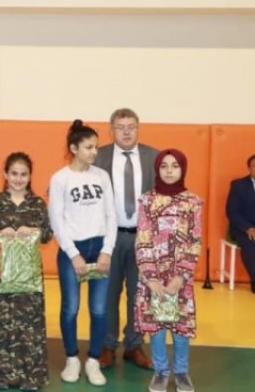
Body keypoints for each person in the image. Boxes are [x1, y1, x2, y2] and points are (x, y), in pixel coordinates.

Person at [49, 120, 117, 387]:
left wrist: (107, 251)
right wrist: (73, 254)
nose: (94, 152)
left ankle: (93, 361)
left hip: (99, 248)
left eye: (96, 147)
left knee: (99, 310)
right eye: (89, 147)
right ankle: (72, 359)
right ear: (74, 148)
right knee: (71, 308)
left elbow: (111, 215)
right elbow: (56, 220)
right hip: (73, 251)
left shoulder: (102, 176)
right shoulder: (60, 179)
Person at [94, 108, 158, 369]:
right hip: (109, 238)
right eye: (121, 127)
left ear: (138, 128)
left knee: (138, 294)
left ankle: (134, 345)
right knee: (108, 294)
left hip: (142, 237)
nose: (127, 132)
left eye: (131, 126)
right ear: (112, 130)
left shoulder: (154, 156)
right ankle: (107, 345)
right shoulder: (98, 157)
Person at [134, 149, 202, 392]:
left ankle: (182, 372)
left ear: (183, 169)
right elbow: (142, 239)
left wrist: (181, 275)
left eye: (175, 166)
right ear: (157, 169)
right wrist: (151, 278)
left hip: (179, 279)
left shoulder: (193, 202)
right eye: (164, 166)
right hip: (153, 278)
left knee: (181, 327)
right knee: (157, 327)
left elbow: (195, 241)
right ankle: (160, 371)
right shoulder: (147, 200)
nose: (169, 171)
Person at [0, 152, 52, 391]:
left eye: (23, 174)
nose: (18, 178)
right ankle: (1, 375)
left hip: (28, 275)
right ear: (5, 174)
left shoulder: (37, 204)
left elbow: (47, 234)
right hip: (0, 274)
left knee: (30, 325)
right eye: (14, 173)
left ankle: (31, 377)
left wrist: (33, 230)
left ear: (30, 176)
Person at [225, 154, 255, 293]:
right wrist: (248, 228)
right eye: (254, 166)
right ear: (249, 168)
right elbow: (232, 211)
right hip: (242, 227)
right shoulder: (238, 185)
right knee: (251, 243)